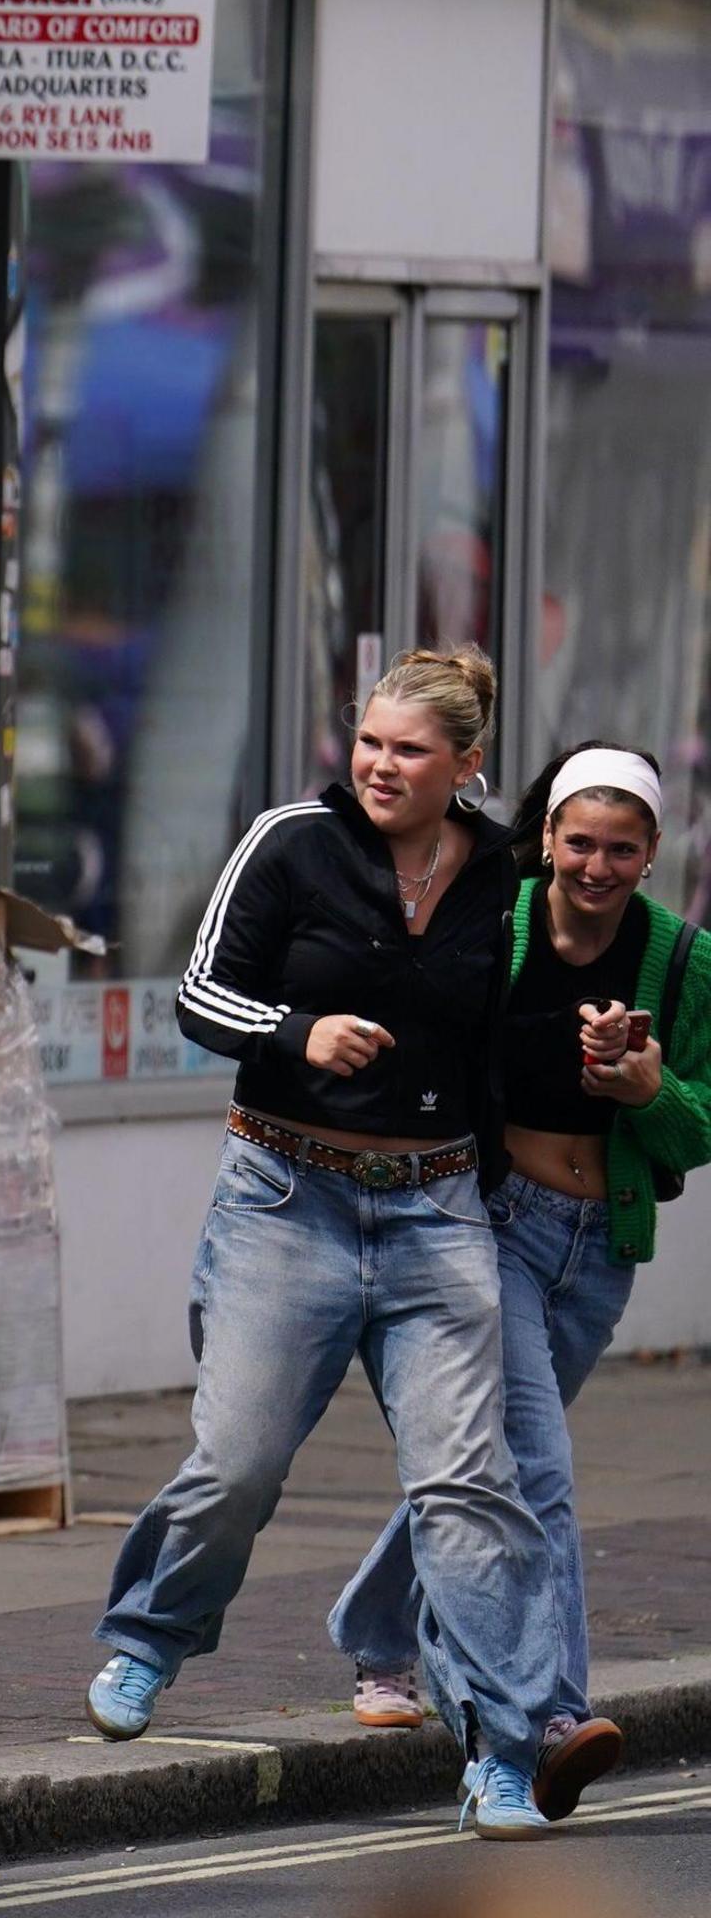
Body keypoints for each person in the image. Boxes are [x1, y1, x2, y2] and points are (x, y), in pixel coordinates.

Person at [90, 647, 567, 1839]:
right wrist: (298, 1032)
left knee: (468, 1486)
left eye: (410, 752)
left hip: (438, 1209)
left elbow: (541, 1002)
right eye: (368, 744)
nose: (380, 767)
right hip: (285, 1198)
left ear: (466, 766)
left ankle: (503, 1756)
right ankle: (149, 1640)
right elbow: (201, 992)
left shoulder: (505, 869)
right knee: (238, 1465)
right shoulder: (292, 840)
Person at [325, 741, 704, 1819]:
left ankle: (378, 1628)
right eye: (579, 843)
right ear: (546, 839)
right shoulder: (497, 924)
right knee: (535, 1473)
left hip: (601, 1251)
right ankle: (539, 1721)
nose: (596, 866)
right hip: (490, 1232)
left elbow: (704, 1118)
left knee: (479, 1472)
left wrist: (649, 1089)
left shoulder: (683, 961)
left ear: (651, 852)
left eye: (620, 849)